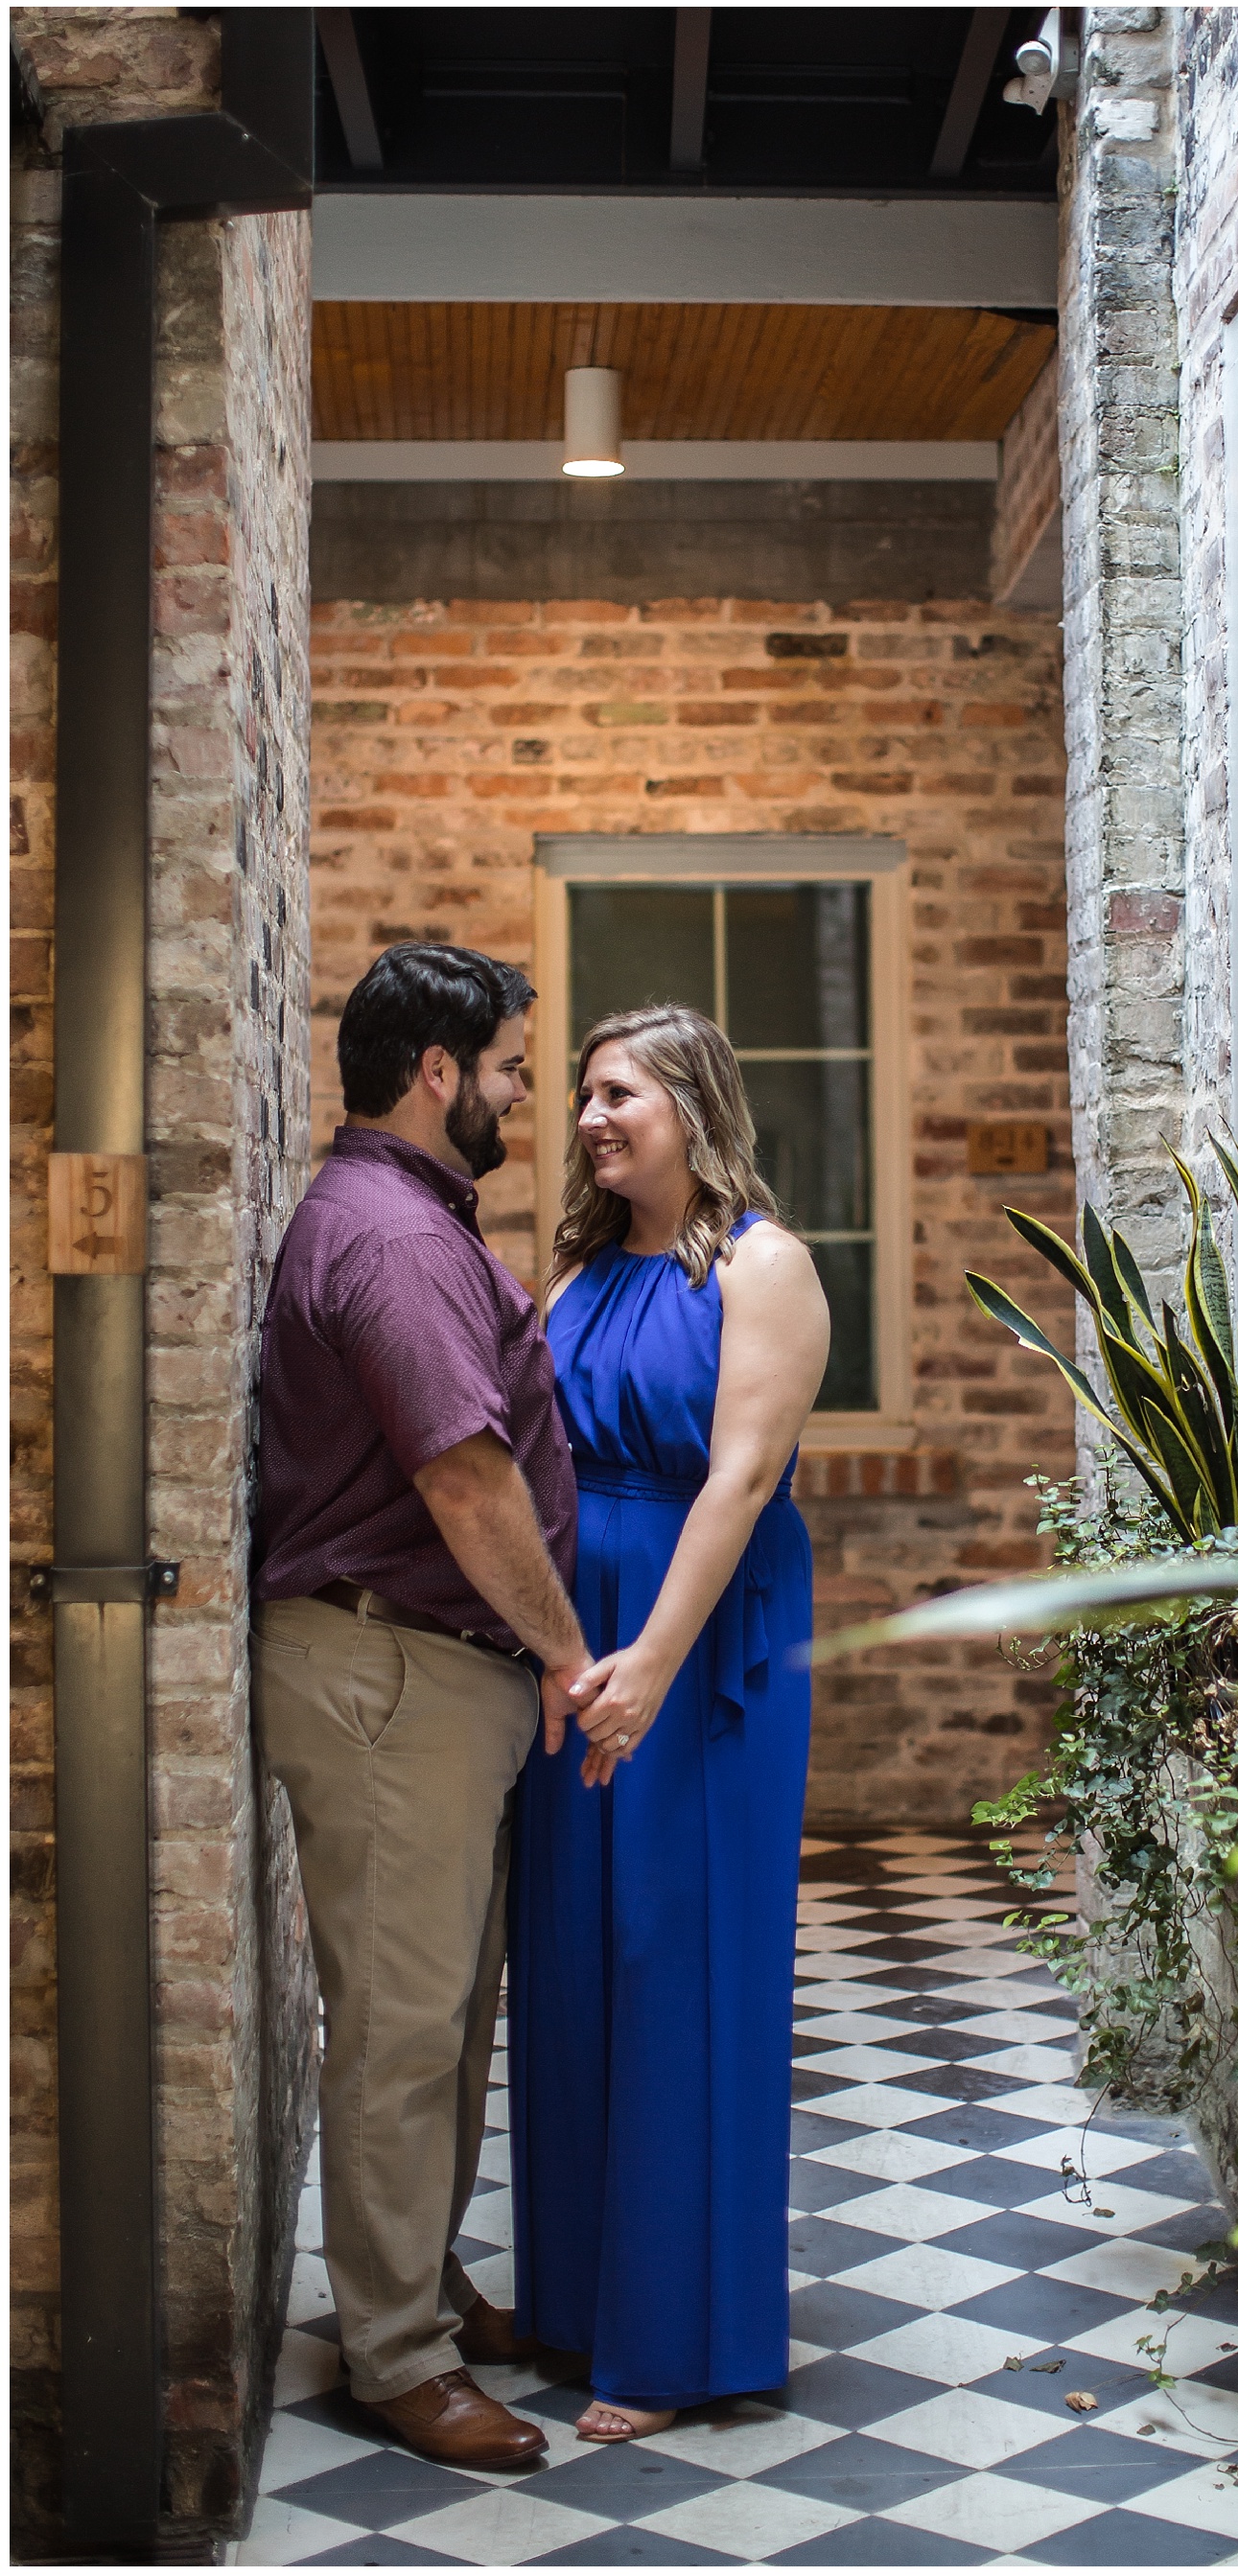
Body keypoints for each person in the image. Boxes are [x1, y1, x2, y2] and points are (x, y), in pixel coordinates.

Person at [251, 943, 593, 2472]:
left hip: (425, 1671)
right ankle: (394, 2349)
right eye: (515, 1064)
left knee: (444, 2021)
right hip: (391, 1669)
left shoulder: (405, 1218)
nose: (528, 1088)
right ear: (440, 1070)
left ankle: (420, 2280)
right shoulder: (389, 1240)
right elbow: (465, 1475)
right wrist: (573, 1654)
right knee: (401, 2027)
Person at [509, 1004, 829, 2442]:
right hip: (578, 1638)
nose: (590, 1114)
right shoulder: (577, 1268)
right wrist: (551, 1642)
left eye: (618, 1091)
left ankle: (677, 2336)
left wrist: (650, 1658)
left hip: (698, 1645)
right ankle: (576, 2305)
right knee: (572, 1957)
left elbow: (743, 1478)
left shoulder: (768, 1268)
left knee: (676, 1955)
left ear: (694, 1102)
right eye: (582, 1092)